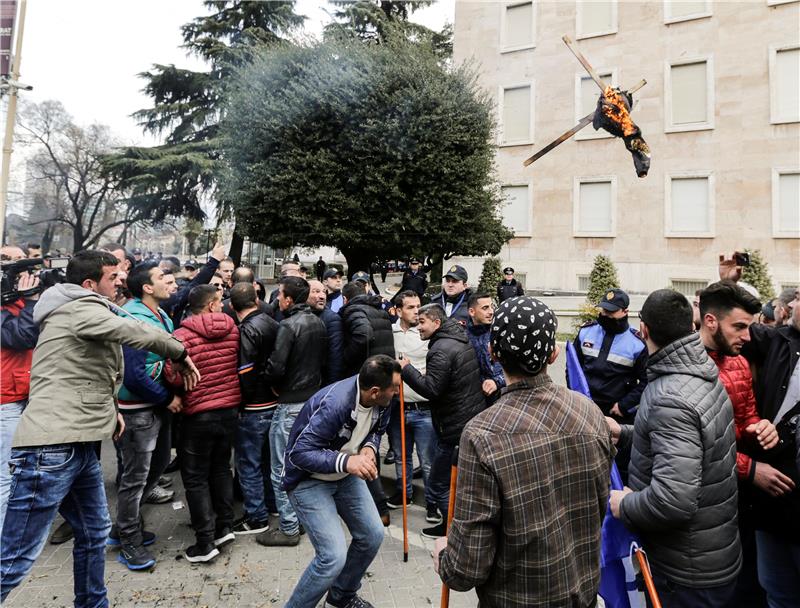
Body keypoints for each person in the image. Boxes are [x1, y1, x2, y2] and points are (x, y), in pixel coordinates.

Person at [0, 250, 199, 606]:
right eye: (113, 276)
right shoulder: (79, 309)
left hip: (78, 442)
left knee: (93, 533)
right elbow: (134, 332)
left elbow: (85, 371)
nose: (121, 279)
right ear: (89, 284)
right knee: (15, 560)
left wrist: (111, 411)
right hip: (52, 448)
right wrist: (178, 351)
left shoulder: (86, 308)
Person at [435, 296, 613, 607]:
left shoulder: (482, 434)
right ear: (554, 355)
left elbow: (466, 569)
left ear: (493, 352)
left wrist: (443, 556)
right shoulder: (589, 412)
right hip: (581, 594)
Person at [606, 289, 741, 607]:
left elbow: (673, 500)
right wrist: (625, 433)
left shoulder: (671, 396)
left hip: (687, 573)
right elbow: (687, 441)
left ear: (644, 331)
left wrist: (624, 505)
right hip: (706, 557)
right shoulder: (695, 372)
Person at [282, 355, 401, 608]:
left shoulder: (383, 401)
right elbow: (299, 453)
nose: (398, 393)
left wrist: (369, 448)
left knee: (372, 534)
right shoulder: (337, 404)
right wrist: (348, 462)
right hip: (308, 481)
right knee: (332, 558)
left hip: (345, 476)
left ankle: (341, 597)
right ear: (375, 391)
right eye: (395, 389)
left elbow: (377, 430)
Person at [698, 280, 782, 607]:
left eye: (750, 327)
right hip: (701, 501)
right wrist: (751, 470)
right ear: (710, 322)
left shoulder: (740, 362)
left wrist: (760, 427)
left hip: (737, 501)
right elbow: (699, 447)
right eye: (740, 327)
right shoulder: (684, 369)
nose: (747, 337)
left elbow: (746, 415)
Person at [722, 257, 800, 607]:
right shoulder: (780, 342)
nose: (793, 303)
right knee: (777, 593)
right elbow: (731, 328)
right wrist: (729, 285)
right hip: (771, 506)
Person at [112, 262, 184, 570]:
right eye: (161, 278)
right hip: (139, 410)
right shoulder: (133, 318)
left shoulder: (157, 312)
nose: (170, 282)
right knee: (135, 479)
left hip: (155, 406)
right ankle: (128, 539)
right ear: (146, 287)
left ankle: (122, 528)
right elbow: (133, 374)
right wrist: (167, 397)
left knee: (155, 470)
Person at [399, 303, 484, 538]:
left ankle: (451, 530)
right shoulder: (457, 339)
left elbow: (432, 389)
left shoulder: (441, 349)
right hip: (463, 420)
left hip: (453, 426)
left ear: (437, 323)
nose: (418, 327)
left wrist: (407, 370)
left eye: (423, 322)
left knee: (438, 484)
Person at [171, 284, 241, 563]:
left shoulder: (180, 336)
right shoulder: (233, 329)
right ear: (210, 304)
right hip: (228, 411)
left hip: (198, 414)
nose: (223, 305)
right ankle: (225, 526)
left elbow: (174, 377)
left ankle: (204, 542)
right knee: (222, 469)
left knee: (195, 478)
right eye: (220, 301)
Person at [258, 276, 327, 547]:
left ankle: (288, 527)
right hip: (311, 401)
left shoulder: (288, 325)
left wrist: (271, 382)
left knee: (281, 468)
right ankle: (301, 521)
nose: (277, 300)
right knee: (302, 464)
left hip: (290, 404)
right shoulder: (317, 321)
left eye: (281, 295)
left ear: (288, 299)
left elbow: (277, 366)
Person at [230, 282, 279, 535]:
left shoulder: (247, 329)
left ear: (231, 305)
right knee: (270, 461)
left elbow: (245, 370)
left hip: (253, 407)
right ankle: (273, 506)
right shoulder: (272, 323)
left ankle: (256, 517)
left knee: (249, 464)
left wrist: (242, 401)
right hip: (273, 402)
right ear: (257, 301)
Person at [386, 291, 439, 523]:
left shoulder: (426, 332)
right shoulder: (391, 332)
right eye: (410, 307)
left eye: (418, 306)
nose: (416, 311)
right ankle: (404, 493)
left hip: (424, 408)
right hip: (398, 406)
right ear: (398, 311)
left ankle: (432, 502)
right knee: (401, 456)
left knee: (427, 460)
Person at [0, 246, 40, 531]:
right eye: (8, 261)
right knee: (6, 472)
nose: (17, 269)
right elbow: (20, 337)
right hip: (6, 400)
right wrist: (30, 300)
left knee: (25, 467)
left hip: (27, 393)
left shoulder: (18, 301)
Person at [340, 281, 395, 377]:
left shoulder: (354, 310)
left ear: (344, 299)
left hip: (367, 373)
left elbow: (364, 334)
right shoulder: (380, 310)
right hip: (385, 370)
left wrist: (346, 356)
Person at [466, 293, 506, 406]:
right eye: (485, 308)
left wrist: (497, 382)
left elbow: (513, 367)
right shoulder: (463, 337)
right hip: (473, 401)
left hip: (501, 398)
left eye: (492, 306)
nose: (491, 311)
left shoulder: (500, 333)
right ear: (472, 312)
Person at [307, 279, 345, 385]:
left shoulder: (332, 319)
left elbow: (335, 357)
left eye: (324, 291)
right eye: (316, 291)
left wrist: (332, 386)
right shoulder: (297, 315)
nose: (322, 296)